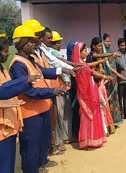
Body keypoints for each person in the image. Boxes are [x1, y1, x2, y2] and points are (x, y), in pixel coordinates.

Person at [9, 25, 69, 173]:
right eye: (31, 42)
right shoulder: (18, 64)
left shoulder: (30, 59)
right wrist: (52, 91)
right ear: (21, 44)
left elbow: (43, 71)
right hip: (30, 112)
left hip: (41, 107)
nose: (35, 44)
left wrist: (62, 70)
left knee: (42, 140)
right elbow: (28, 90)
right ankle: (31, 169)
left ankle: (41, 163)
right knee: (31, 145)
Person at [0, 36, 41, 173]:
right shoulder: (17, 63)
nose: (8, 54)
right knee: (4, 165)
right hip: (2, 127)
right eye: (5, 51)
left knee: (9, 163)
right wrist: (25, 81)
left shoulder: (3, 69)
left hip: (10, 125)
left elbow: (6, 85)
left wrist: (24, 81)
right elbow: (3, 91)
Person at [72, 42, 112, 149]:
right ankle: (89, 140)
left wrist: (103, 73)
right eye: (84, 51)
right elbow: (92, 73)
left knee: (90, 115)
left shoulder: (81, 63)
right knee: (88, 116)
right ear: (79, 53)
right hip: (87, 94)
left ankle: (91, 139)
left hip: (89, 92)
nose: (86, 53)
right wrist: (105, 76)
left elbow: (90, 68)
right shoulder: (80, 65)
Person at [49, 31, 73, 154]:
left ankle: (64, 138)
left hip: (64, 87)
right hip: (58, 88)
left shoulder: (56, 53)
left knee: (64, 115)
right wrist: (73, 66)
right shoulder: (51, 54)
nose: (60, 45)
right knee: (59, 116)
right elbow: (61, 65)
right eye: (57, 43)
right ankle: (58, 142)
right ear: (51, 43)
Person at [103, 34, 124, 126]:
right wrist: (118, 74)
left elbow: (113, 66)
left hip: (113, 80)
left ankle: (115, 120)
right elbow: (108, 67)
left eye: (109, 41)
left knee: (115, 100)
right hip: (106, 81)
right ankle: (108, 122)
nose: (108, 43)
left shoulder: (111, 52)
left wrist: (117, 75)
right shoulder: (102, 53)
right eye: (106, 41)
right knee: (107, 101)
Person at [115, 38, 126, 119]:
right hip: (120, 81)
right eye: (121, 45)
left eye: (124, 45)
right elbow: (118, 64)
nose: (123, 47)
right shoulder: (117, 55)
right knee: (120, 99)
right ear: (118, 46)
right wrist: (123, 68)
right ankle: (120, 115)